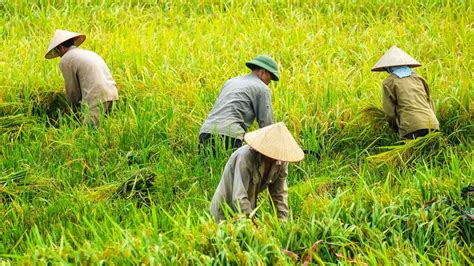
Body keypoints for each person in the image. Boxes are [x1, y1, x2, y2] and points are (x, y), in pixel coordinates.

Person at [210, 122, 305, 222]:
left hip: (247, 210)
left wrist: (282, 223)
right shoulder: (245, 158)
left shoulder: (281, 161)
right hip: (224, 211)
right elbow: (239, 197)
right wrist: (252, 223)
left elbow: (279, 194)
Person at [199, 55, 279, 154]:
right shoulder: (262, 88)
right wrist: (274, 149)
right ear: (263, 72)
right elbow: (267, 124)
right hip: (229, 136)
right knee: (229, 169)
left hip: (206, 131)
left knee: (206, 168)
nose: (268, 83)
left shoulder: (231, 82)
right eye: (269, 79)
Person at [45, 29, 119, 127]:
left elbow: (72, 90)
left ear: (61, 48)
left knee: (89, 133)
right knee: (105, 129)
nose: (59, 55)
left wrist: (73, 109)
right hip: (112, 93)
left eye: (57, 51)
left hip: (96, 97)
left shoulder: (66, 59)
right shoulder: (88, 53)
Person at [371, 45, 439, 139]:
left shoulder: (389, 82)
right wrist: (432, 122)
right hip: (432, 123)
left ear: (388, 68)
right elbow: (430, 102)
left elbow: (390, 112)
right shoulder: (419, 78)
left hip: (411, 126)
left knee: (411, 153)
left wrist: (396, 128)